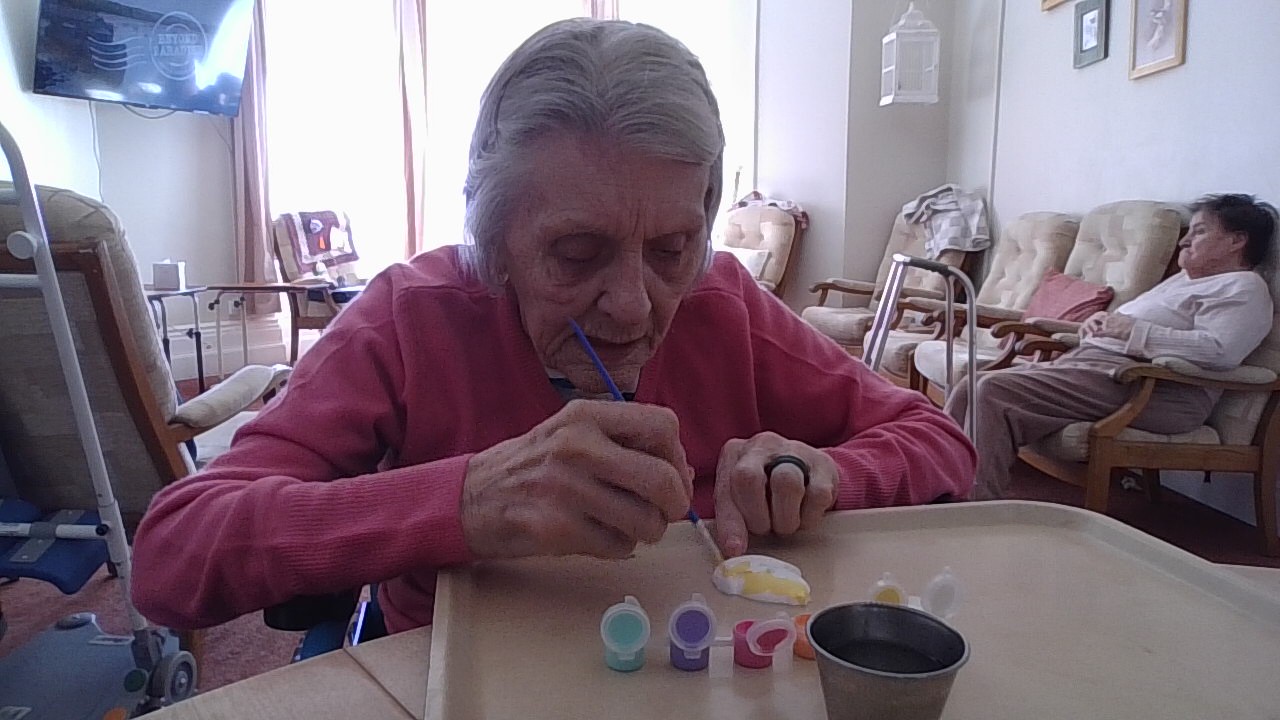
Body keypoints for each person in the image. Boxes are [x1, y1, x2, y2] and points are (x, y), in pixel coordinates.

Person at [130, 19, 975, 634]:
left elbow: (939, 441)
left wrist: (817, 470)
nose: (636, 306)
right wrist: (464, 500)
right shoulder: (408, 316)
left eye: (672, 248)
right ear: (495, 244)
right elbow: (173, 557)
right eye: (577, 253)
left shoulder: (723, 301)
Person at [947, 193, 1276, 499]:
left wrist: (1134, 330)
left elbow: (1219, 351)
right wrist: (1094, 327)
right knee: (970, 384)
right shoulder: (1185, 281)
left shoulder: (1244, 288)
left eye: (1200, 232)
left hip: (1153, 388)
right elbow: (1129, 328)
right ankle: (936, 483)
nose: (1185, 240)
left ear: (1237, 241)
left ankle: (974, 504)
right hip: (1103, 369)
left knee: (992, 389)